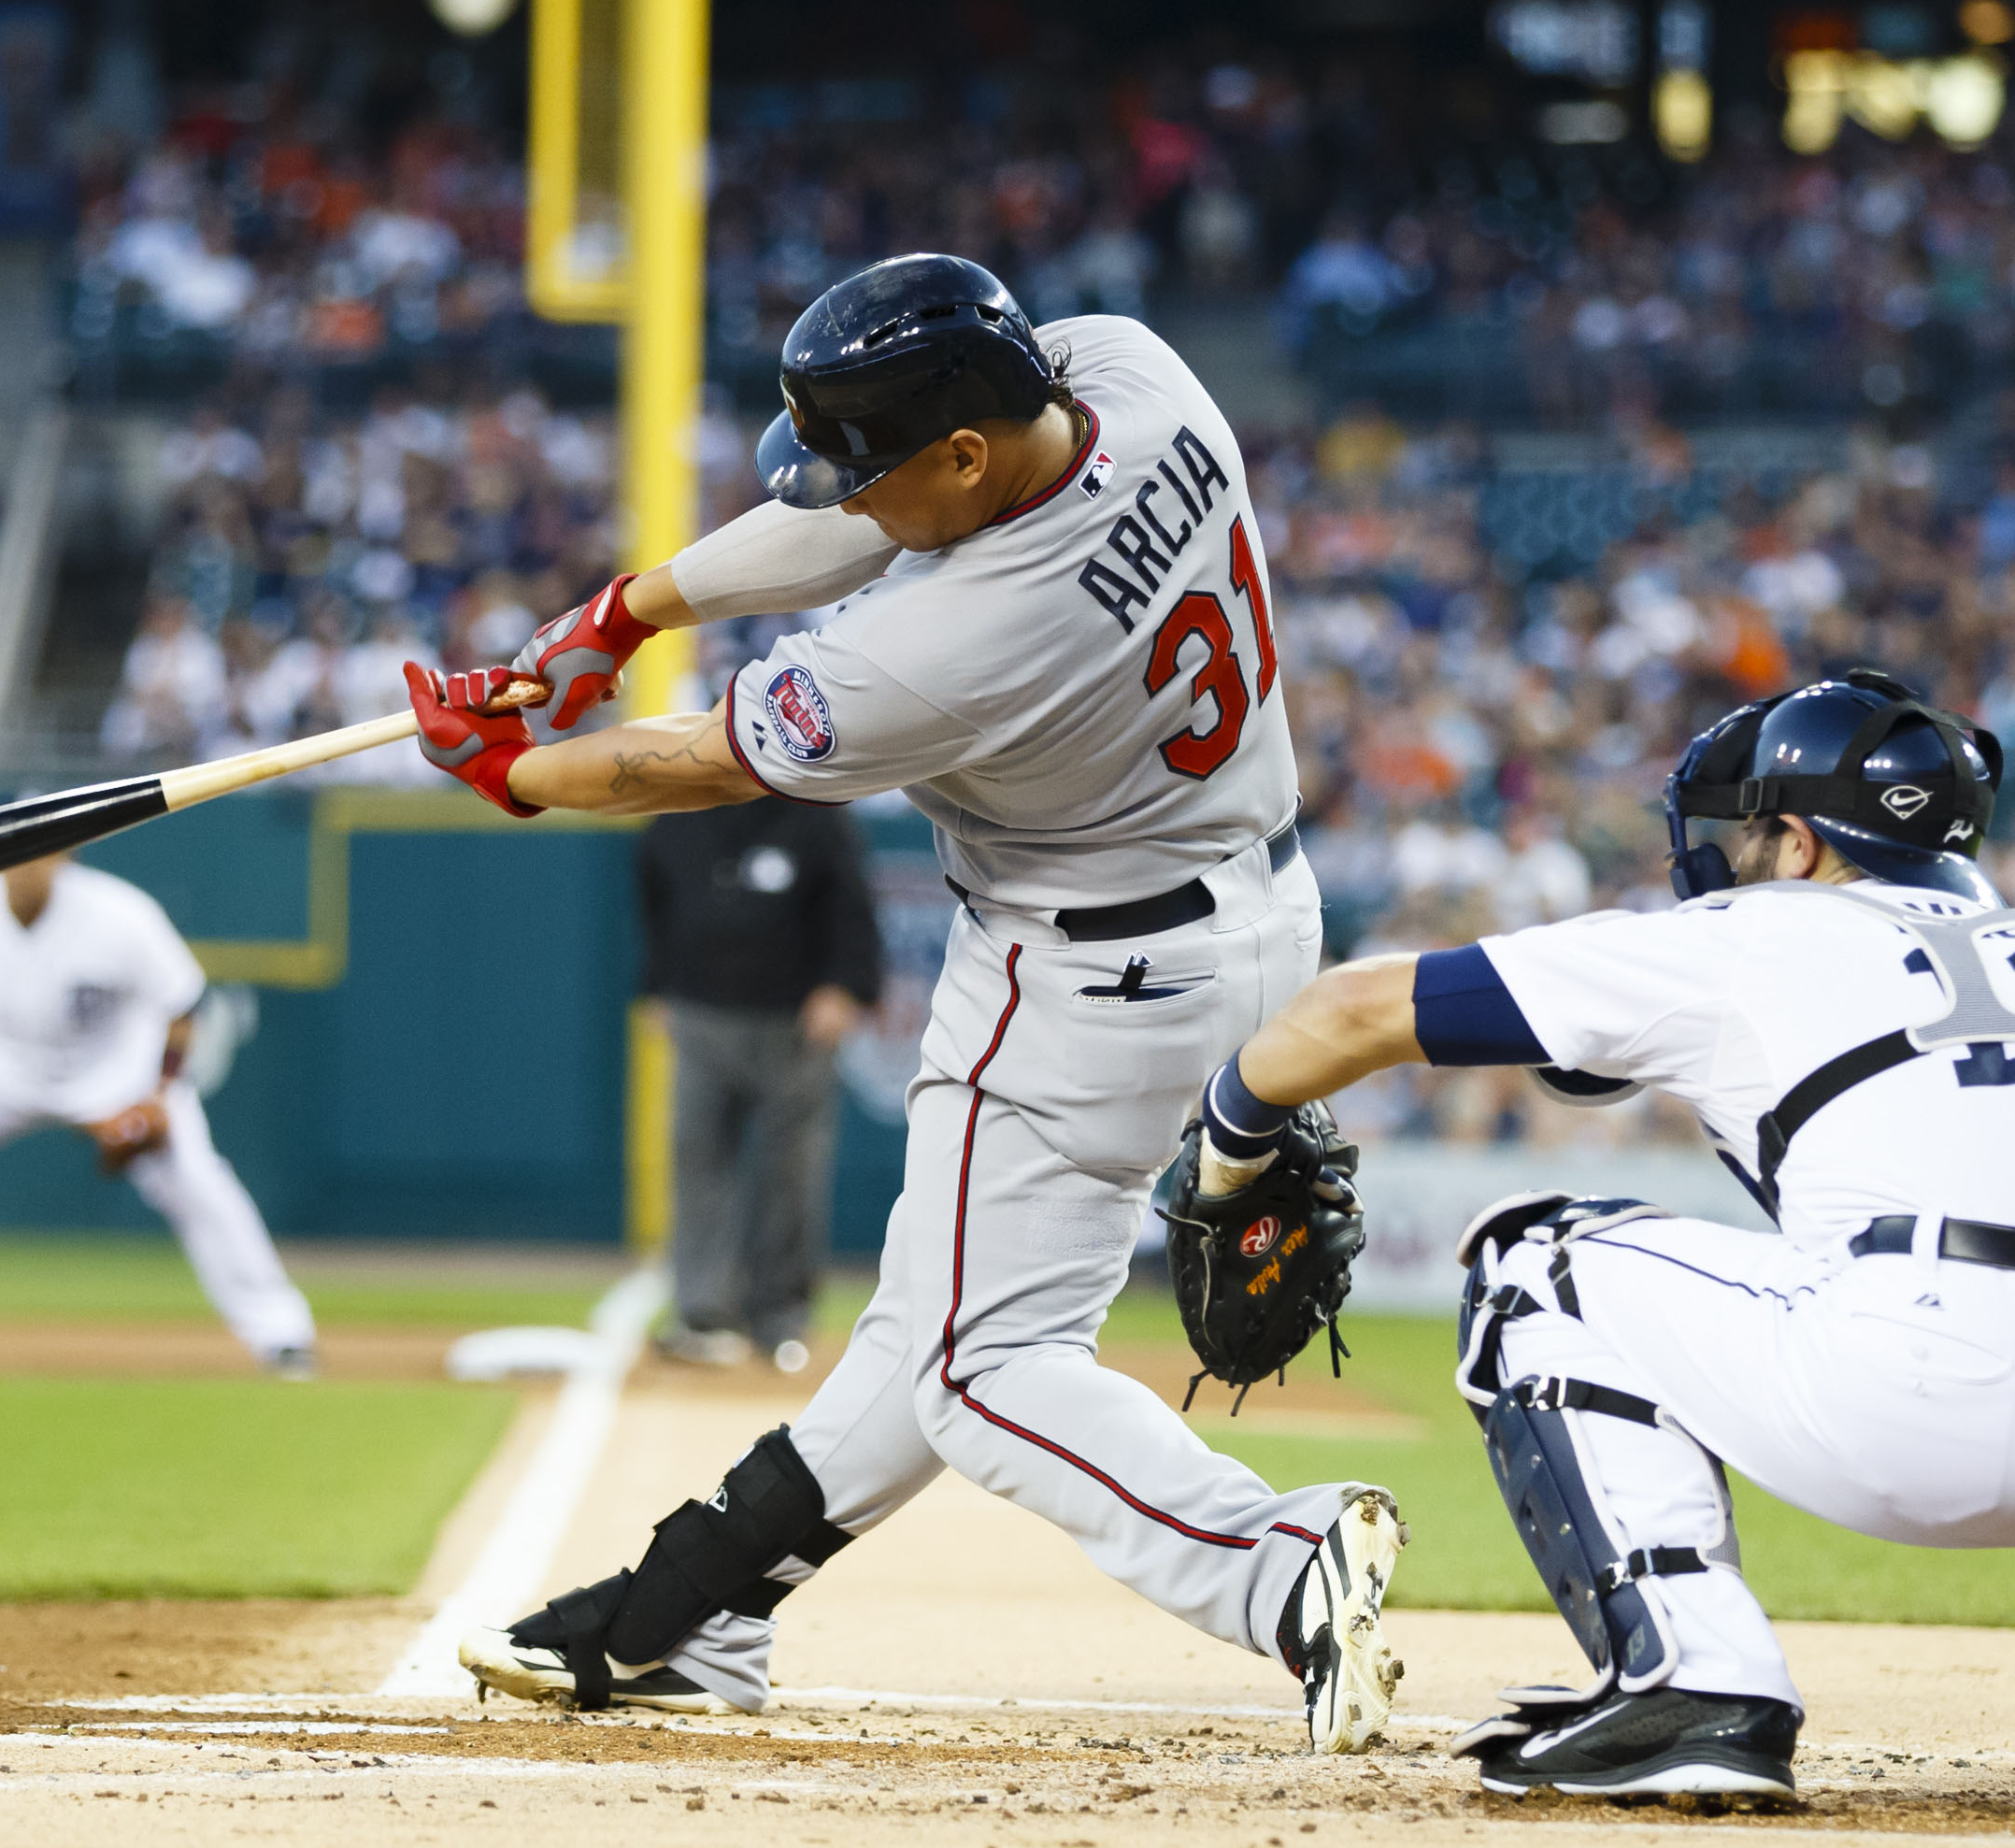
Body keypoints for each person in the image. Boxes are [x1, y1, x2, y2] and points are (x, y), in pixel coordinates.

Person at [408, 254, 1408, 1751]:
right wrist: (618, 615)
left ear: (961, 450)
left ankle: (1276, 1567)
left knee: (982, 1371)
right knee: (932, 1325)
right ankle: (703, 1610)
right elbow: (838, 526)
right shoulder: (1135, 373)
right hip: (1256, 915)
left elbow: (685, 765)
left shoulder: (947, 649)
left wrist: (515, 771)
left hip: (1081, 976)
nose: (844, 495)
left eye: (873, 468)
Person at [1192, 671, 2015, 1798]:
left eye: (1750, 831)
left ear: (1797, 843)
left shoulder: (1754, 931)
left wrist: (1227, 1141)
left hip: (1922, 1395)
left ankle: (1696, 1680)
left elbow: (1354, 1011)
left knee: (1534, 1266)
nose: (1733, 853)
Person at [0, 849, 315, 1379]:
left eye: (41, 849)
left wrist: (160, 1094)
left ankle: (281, 1333)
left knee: (196, 1177)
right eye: (15, 849)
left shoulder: (118, 912)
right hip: (0, 1059)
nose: (26, 864)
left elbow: (183, 1003)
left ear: (66, 855)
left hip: (115, 1065)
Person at [638, 799, 882, 1371]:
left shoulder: (815, 812)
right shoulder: (677, 813)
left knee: (789, 1172)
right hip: (701, 1011)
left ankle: (780, 1317)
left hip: (790, 1016)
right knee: (698, 1158)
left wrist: (845, 985)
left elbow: (852, 902)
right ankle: (702, 1313)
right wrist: (655, 985)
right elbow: (655, 902)